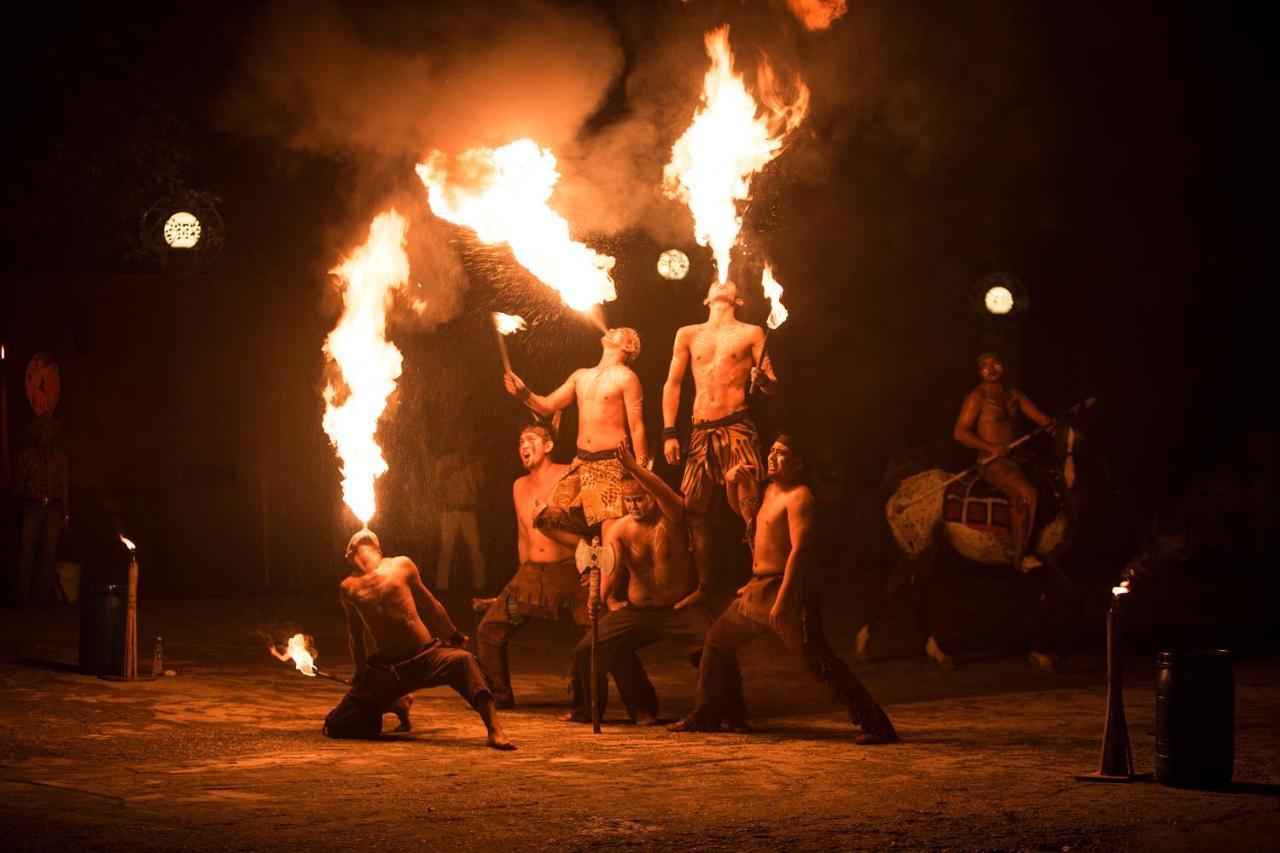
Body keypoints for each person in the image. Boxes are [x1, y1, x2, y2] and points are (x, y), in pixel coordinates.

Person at [670, 435, 898, 744]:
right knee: (717, 642)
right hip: (757, 590)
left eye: (782, 453)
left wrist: (785, 599)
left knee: (818, 662)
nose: (773, 456)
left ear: (798, 464)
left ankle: (877, 726)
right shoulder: (769, 490)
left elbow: (800, 551)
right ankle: (708, 714)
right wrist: (729, 483)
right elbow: (743, 512)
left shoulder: (800, 497)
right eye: (772, 451)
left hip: (785, 589)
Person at [475, 424, 652, 714]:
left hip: (572, 569)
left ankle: (641, 705)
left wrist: (595, 570)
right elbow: (523, 533)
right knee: (489, 630)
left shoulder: (570, 475)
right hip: (532, 574)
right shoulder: (518, 486)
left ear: (547, 446)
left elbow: (594, 526)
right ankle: (498, 696)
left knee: (603, 633)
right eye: (519, 441)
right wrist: (516, 583)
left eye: (529, 439)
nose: (522, 445)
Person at [323, 530, 515, 750]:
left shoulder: (401, 565)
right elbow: (355, 636)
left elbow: (431, 605)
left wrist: (452, 634)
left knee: (465, 661)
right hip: (389, 670)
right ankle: (395, 702)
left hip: (426, 656)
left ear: (379, 549)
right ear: (348, 555)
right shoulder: (348, 587)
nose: (362, 536)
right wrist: (360, 673)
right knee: (337, 724)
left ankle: (494, 729)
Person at [563, 440, 711, 724]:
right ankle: (608, 708)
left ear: (653, 496)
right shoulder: (619, 530)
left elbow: (669, 497)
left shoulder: (673, 518)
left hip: (679, 608)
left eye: (640, 499)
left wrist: (633, 467)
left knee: (712, 649)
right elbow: (612, 568)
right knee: (588, 649)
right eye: (628, 501)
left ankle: (721, 710)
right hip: (637, 610)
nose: (634, 506)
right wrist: (601, 599)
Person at [661, 278, 776, 597]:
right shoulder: (688, 334)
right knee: (692, 512)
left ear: (737, 300)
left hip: (737, 425)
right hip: (699, 431)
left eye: (730, 283)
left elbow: (772, 384)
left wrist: (763, 379)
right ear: (706, 298)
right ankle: (704, 585)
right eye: (716, 282)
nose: (723, 282)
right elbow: (672, 384)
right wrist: (670, 431)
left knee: (750, 508)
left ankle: (762, 579)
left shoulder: (752, 332)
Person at [504, 327, 648, 543]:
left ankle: (603, 568)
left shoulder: (627, 378)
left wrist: (642, 472)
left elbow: (637, 427)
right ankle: (589, 558)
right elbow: (547, 406)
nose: (610, 329)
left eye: (618, 331)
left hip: (610, 464)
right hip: (581, 463)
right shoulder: (580, 376)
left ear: (628, 346)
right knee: (546, 518)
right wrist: (524, 393)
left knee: (611, 539)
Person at [952, 351, 1053, 571]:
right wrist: (991, 448)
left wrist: (1055, 425)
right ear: (980, 372)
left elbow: (1041, 419)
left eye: (995, 363)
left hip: (1019, 459)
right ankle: (1022, 556)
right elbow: (959, 433)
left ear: (1003, 366)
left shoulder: (1015, 395)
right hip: (992, 462)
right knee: (1027, 495)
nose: (991, 368)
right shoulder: (977, 396)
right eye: (985, 365)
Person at [13, 416, 69, 606]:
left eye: (50, 430)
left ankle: (42, 598)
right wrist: (21, 504)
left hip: (53, 508)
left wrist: (65, 513)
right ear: (37, 433)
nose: (47, 434)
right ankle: (22, 596)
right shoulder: (27, 456)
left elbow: (63, 486)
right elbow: (19, 483)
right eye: (43, 430)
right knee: (26, 551)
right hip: (32, 506)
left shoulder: (60, 457)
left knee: (48, 554)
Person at [433, 447, 485, 593]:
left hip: (468, 511)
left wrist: (473, 468)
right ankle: (441, 589)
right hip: (449, 512)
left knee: (475, 550)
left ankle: (480, 587)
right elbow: (437, 483)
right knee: (446, 551)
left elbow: (480, 485)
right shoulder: (444, 462)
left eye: (466, 440)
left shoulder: (474, 463)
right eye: (460, 439)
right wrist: (455, 466)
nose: (463, 442)